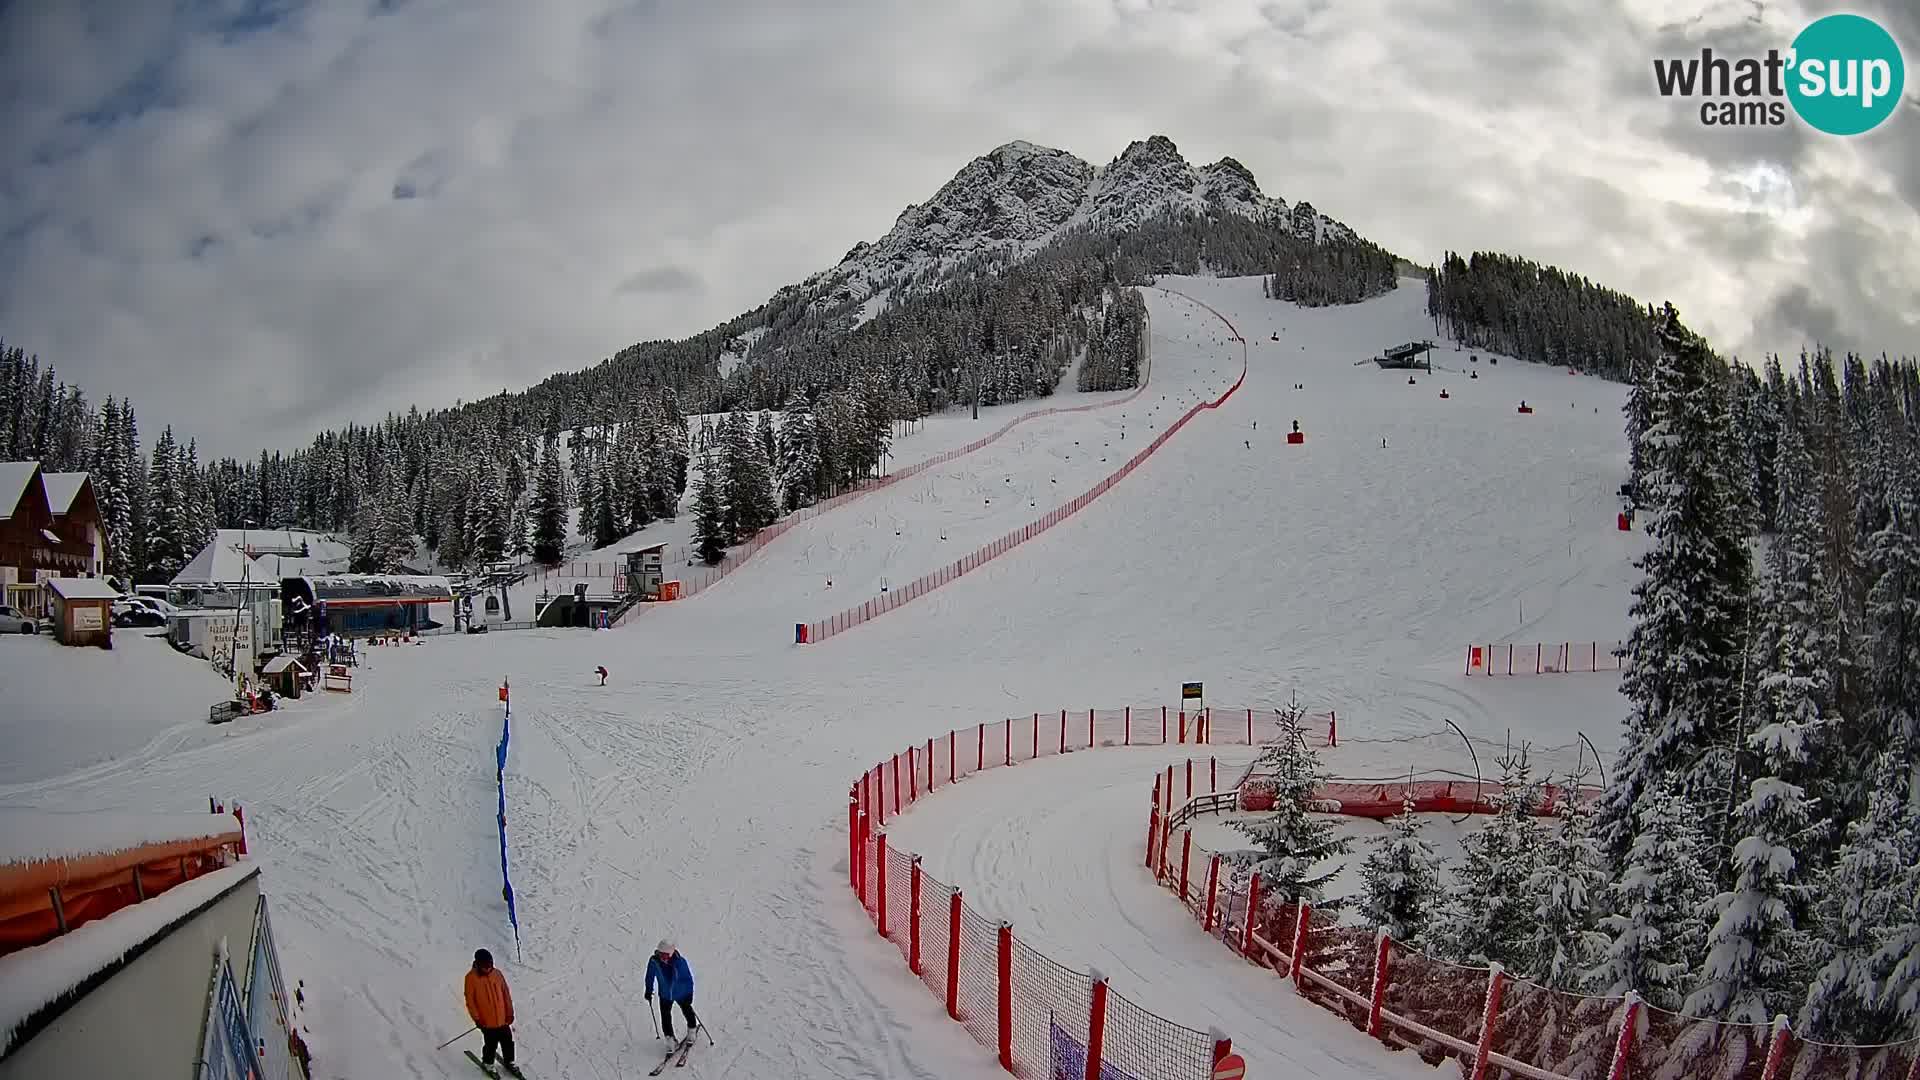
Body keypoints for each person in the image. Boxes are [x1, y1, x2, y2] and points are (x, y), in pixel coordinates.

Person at [465, 949, 520, 1076]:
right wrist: (477, 1019)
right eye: (485, 965)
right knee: (491, 1043)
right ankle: (488, 1063)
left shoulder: (497, 974)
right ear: (478, 964)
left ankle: (509, 1061)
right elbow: (470, 1001)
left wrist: (509, 1013)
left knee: (507, 1041)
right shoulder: (471, 978)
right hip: (486, 1021)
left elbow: (505, 994)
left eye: (490, 964)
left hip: (502, 1018)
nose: (488, 967)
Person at [644, 941, 698, 1043]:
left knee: (687, 1010)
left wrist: (689, 994)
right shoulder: (654, 961)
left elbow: (688, 979)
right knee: (665, 1017)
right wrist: (648, 990)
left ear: (671, 954)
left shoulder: (680, 962)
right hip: (665, 994)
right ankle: (670, 1040)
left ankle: (692, 1030)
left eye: (666, 955)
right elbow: (650, 976)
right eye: (661, 954)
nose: (663, 958)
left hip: (681, 993)